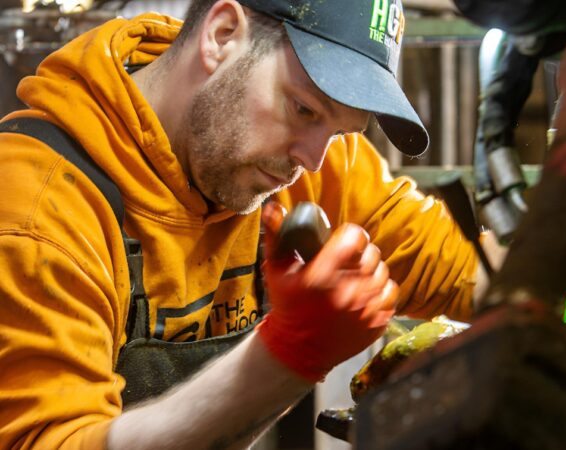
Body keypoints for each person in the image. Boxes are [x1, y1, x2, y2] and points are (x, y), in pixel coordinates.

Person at [0, 1, 495, 448]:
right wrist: (285, 357)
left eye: (340, 130)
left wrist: (563, 256)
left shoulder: (301, 160)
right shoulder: (36, 209)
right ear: (220, 34)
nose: (314, 160)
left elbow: (462, 268)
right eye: (304, 108)